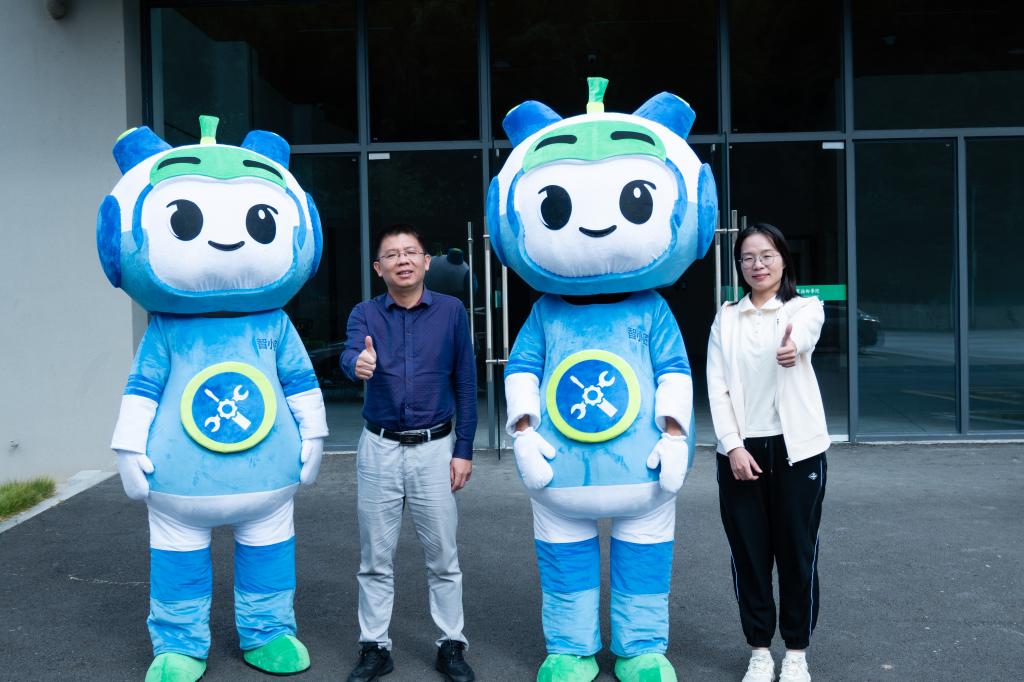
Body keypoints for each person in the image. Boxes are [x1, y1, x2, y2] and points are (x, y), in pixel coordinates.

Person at [340, 224, 477, 682]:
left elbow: (465, 382)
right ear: (379, 268)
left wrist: (463, 449)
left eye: (410, 252)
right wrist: (357, 364)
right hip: (378, 448)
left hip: (435, 450)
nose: (402, 260)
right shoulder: (364, 313)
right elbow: (349, 355)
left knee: (443, 557)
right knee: (374, 559)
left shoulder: (451, 312)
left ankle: (451, 644)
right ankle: (375, 647)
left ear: (425, 262)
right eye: (392, 254)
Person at [707, 223, 831, 682]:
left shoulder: (804, 308)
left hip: (799, 451)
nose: (757, 265)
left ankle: (796, 652)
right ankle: (759, 651)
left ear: (783, 259)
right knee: (750, 554)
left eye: (767, 255)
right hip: (742, 451)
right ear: (739, 266)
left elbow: (805, 334)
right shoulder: (726, 318)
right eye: (747, 257)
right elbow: (717, 387)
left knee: (797, 553)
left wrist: (793, 348)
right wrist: (733, 447)